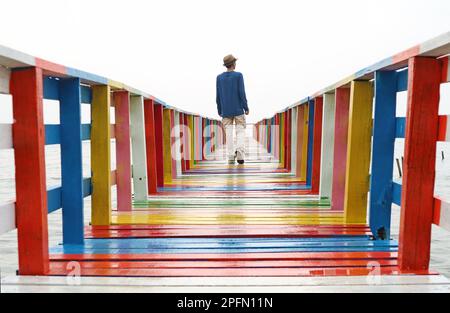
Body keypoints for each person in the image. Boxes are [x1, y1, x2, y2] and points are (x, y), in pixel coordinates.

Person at [216, 54, 249, 165]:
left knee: (229, 132)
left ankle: (230, 156)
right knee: (240, 130)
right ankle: (240, 152)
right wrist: (246, 107)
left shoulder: (219, 78)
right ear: (233, 64)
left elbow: (218, 95)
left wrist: (219, 109)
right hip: (238, 108)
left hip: (225, 109)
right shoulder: (239, 76)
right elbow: (242, 92)